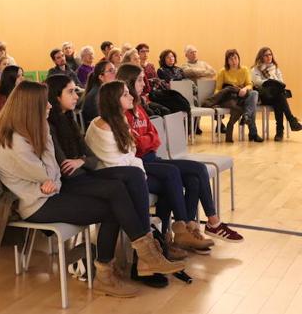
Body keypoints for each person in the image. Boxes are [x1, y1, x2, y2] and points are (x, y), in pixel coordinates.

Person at [0, 81, 183, 297]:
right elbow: (52, 174)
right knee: (114, 201)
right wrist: (48, 169)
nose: (49, 106)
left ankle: (126, 264)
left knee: (115, 201)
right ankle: (133, 261)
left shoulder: (36, 130)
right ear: (31, 107)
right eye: (44, 102)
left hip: (49, 193)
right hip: (35, 204)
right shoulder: (16, 141)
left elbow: (52, 172)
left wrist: (50, 169)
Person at [46, 74, 171, 288]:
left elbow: (89, 159)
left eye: (75, 90)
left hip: (84, 174)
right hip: (70, 183)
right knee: (121, 189)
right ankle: (144, 251)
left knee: (132, 176)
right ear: (56, 96)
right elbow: (65, 167)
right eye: (70, 91)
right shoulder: (50, 125)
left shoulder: (69, 118)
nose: (77, 95)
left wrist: (81, 160)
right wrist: (81, 162)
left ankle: (143, 254)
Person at [85, 80, 217, 255]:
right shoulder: (103, 126)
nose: (132, 95)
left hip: (133, 170)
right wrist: (139, 158)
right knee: (172, 176)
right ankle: (174, 234)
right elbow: (120, 161)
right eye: (125, 94)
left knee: (187, 177)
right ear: (113, 100)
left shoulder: (121, 118)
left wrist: (139, 153)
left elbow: (144, 144)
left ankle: (169, 237)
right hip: (118, 178)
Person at [117, 64, 243, 245]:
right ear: (128, 83)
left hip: (152, 158)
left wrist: (147, 140)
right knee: (195, 169)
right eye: (139, 80)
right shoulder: (123, 113)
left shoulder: (139, 108)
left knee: (194, 178)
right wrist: (148, 140)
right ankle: (206, 224)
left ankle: (189, 232)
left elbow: (154, 137)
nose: (144, 84)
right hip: (140, 164)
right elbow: (136, 145)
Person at [251, 47, 302, 141]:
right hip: (263, 96)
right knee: (279, 96)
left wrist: (273, 82)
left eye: (270, 54)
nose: (268, 57)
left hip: (275, 96)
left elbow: (281, 82)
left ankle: (280, 132)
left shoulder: (275, 69)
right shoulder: (255, 69)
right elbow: (258, 82)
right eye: (266, 55)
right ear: (261, 57)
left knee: (278, 98)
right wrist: (271, 82)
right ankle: (290, 122)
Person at [215, 49, 263, 142]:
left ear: (239, 59)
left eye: (235, 58)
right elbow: (218, 89)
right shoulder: (223, 71)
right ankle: (253, 133)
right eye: (231, 59)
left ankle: (246, 116)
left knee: (254, 93)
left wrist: (245, 89)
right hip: (231, 98)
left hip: (242, 96)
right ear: (227, 61)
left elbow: (250, 84)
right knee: (251, 105)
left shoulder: (244, 69)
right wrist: (217, 99)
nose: (234, 61)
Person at [82, 61, 116, 127]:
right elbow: (103, 121)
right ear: (101, 77)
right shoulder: (97, 95)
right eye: (111, 71)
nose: (115, 73)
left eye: (115, 70)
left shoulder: (105, 91)